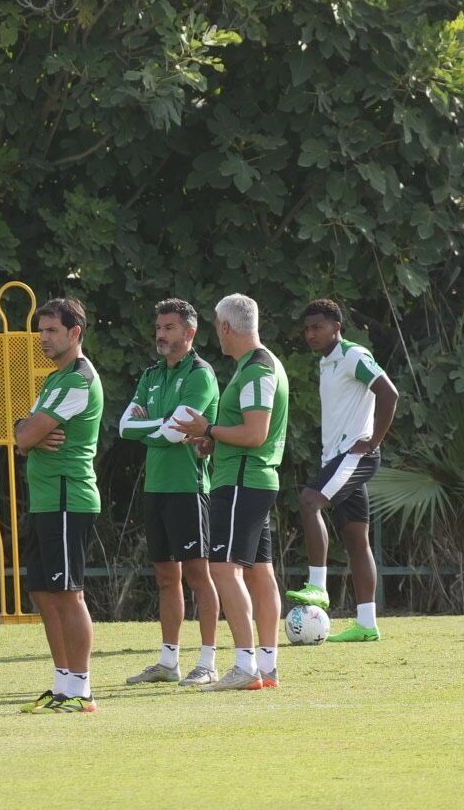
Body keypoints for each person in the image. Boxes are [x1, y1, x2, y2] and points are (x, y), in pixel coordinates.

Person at [173, 293, 288, 691]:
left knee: (224, 568)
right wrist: (214, 439)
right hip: (251, 479)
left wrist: (207, 429)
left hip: (242, 482)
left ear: (225, 327)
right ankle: (266, 667)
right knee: (259, 571)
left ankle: (246, 665)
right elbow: (248, 432)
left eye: (215, 326)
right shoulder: (258, 365)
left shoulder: (256, 370)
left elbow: (255, 434)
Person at [119, 299, 222, 687]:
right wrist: (162, 427)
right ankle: (168, 662)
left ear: (189, 333)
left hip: (188, 488)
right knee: (165, 577)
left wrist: (156, 427)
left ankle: (208, 663)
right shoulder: (151, 374)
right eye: (159, 327)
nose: (160, 334)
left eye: (169, 328)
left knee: (198, 575)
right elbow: (124, 427)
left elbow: (174, 431)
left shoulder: (200, 374)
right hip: (156, 488)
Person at [284, 300, 399, 642]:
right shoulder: (326, 362)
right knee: (356, 541)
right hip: (337, 459)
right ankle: (367, 625)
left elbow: (389, 394)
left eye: (317, 327)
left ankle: (317, 587)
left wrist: (373, 442)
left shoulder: (352, 355)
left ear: (336, 326)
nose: (311, 334)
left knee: (309, 501)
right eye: (307, 329)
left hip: (354, 457)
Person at [13, 298, 104, 714]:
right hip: (47, 500)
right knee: (43, 592)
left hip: (69, 498)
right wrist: (28, 432)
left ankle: (82, 691)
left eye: (51, 330)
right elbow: (22, 433)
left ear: (75, 333)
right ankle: (63, 686)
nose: (43, 338)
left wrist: (28, 434)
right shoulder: (55, 380)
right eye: (41, 330)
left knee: (69, 594)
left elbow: (24, 435)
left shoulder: (78, 380)